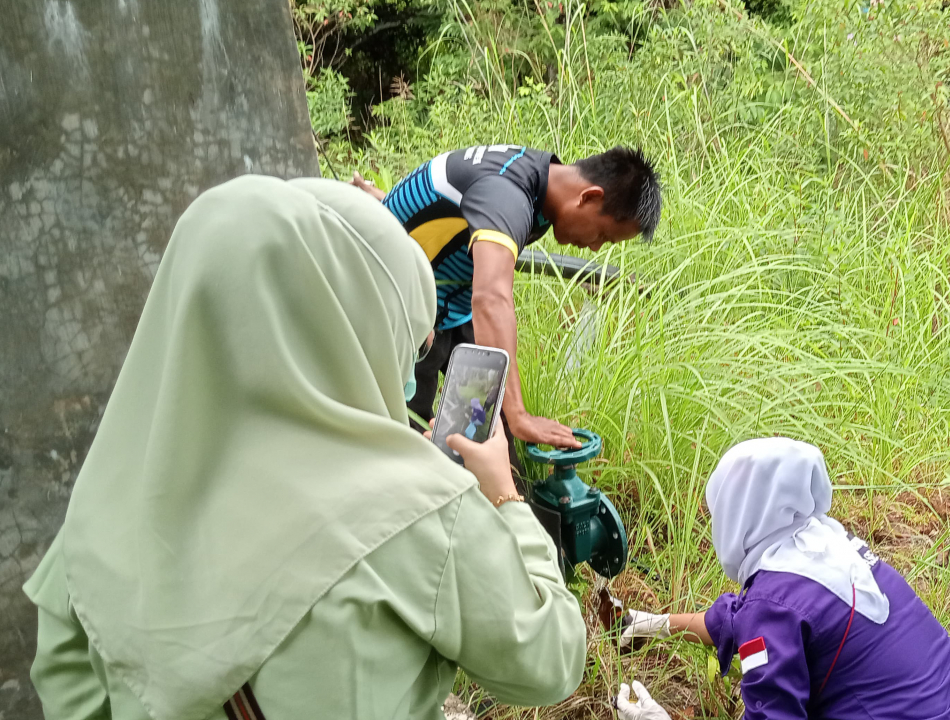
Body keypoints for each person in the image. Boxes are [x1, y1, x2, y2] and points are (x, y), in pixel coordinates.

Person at [22, 176, 586, 720]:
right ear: (354, 327)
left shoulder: (99, 507)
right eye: (408, 342)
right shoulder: (419, 514)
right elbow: (551, 660)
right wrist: (503, 497)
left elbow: (67, 684)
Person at [613, 438, 950, 720]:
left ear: (738, 514)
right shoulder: (827, 548)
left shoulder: (774, 602)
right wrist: (650, 624)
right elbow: (745, 617)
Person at [352, 144, 662, 450]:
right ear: (589, 196)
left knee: (488, 433)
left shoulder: (536, 179)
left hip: (452, 306)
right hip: (404, 312)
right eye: (603, 235)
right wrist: (519, 415)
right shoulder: (508, 195)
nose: (595, 247)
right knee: (410, 443)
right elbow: (491, 298)